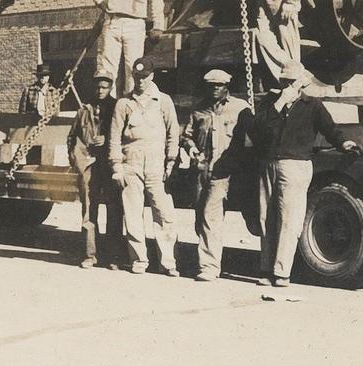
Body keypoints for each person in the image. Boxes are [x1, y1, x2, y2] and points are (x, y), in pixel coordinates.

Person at [256, 70, 363, 287]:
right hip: (269, 164)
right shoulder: (270, 104)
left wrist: (343, 143)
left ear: (301, 84)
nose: (287, 84)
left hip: (295, 165)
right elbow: (259, 129)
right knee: (265, 218)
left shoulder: (312, 105)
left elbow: (330, 129)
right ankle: (266, 269)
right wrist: (278, 104)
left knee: (290, 219)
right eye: (285, 80)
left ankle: (281, 272)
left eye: (292, 81)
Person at [108, 59, 180, 276]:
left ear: (152, 76)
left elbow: (172, 133)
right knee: (132, 213)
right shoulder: (123, 104)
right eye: (137, 77)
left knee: (164, 213)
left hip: (156, 163)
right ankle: (139, 260)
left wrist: (170, 162)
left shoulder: (163, 101)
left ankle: (168, 262)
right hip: (131, 162)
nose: (140, 81)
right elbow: (114, 138)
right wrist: (116, 167)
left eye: (145, 77)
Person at [181, 68, 254, 283]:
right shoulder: (198, 110)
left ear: (227, 87)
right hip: (202, 171)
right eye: (211, 85)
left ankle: (209, 267)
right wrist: (191, 148)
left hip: (226, 172)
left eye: (219, 85)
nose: (215, 89)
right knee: (201, 217)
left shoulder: (240, 108)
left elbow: (253, 137)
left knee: (210, 217)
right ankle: (211, 258)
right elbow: (187, 136)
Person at [89, 0, 165, 96]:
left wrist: (158, 25)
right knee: (108, 66)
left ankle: (130, 105)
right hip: (113, 23)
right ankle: (108, 106)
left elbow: (156, 0)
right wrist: (101, 3)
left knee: (133, 68)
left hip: (135, 24)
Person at [68, 75, 122, 269]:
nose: (100, 91)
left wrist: (106, 140)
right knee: (89, 210)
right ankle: (90, 255)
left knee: (114, 210)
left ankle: (113, 256)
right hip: (89, 166)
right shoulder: (84, 110)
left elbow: (124, 135)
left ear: (110, 88)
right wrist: (76, 161)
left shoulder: (118, 107)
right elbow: (72, 136)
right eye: (98, 87)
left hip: (109, 165)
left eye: (105, 87)